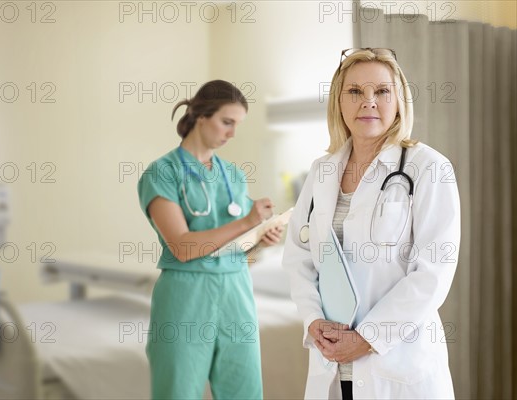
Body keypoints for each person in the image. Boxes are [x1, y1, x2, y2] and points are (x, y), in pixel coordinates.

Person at [282, 48, 460, 399]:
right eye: (354, 92)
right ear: (339, 102)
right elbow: (298, 256)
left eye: (381, 91)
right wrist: (313, 319)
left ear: (398, 101)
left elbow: (433, 272)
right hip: (332, 365)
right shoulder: (322, 170)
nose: (368, 102)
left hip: (396, 366)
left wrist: (367, 339)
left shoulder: (428, 167)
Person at [137, 79, 283, 399]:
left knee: (243, 391)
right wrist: (247, 220)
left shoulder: (233, 175)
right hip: (186, 295)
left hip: (236, 293)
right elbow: (184, 246)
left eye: (237, 125)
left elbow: (239, 253)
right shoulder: (161, 173)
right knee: (178, 391)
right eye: (226, 122)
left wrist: (261, 239)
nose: (231, 134)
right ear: (201, 116)